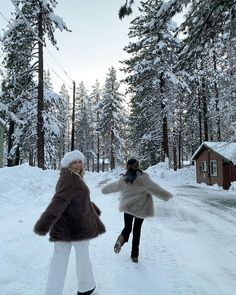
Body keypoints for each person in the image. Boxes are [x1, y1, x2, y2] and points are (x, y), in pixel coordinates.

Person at [34, 150, 105, 295]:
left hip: (70, 227)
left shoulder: (74, 178)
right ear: (68, 164)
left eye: (80, 161)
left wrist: (93, 211)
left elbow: (77, 200)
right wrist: (44, 223)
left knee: (73, 259)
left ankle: (85, 287)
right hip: (75, 228)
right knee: (69, 261)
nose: (78, 165)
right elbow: (59, 201)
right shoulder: (69, 179)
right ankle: (85, 287)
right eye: (74, 162)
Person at [101, 158, 172, 263]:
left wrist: (104, 189)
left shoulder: (124, 179)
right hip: (141, 209)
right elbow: (155, 188)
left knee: (127, 228)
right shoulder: (144, 178)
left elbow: (114, 186)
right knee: (137, 231)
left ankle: (121, 239)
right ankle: (134, 256)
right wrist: (166, 196)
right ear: (138, 166)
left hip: (128, 208)